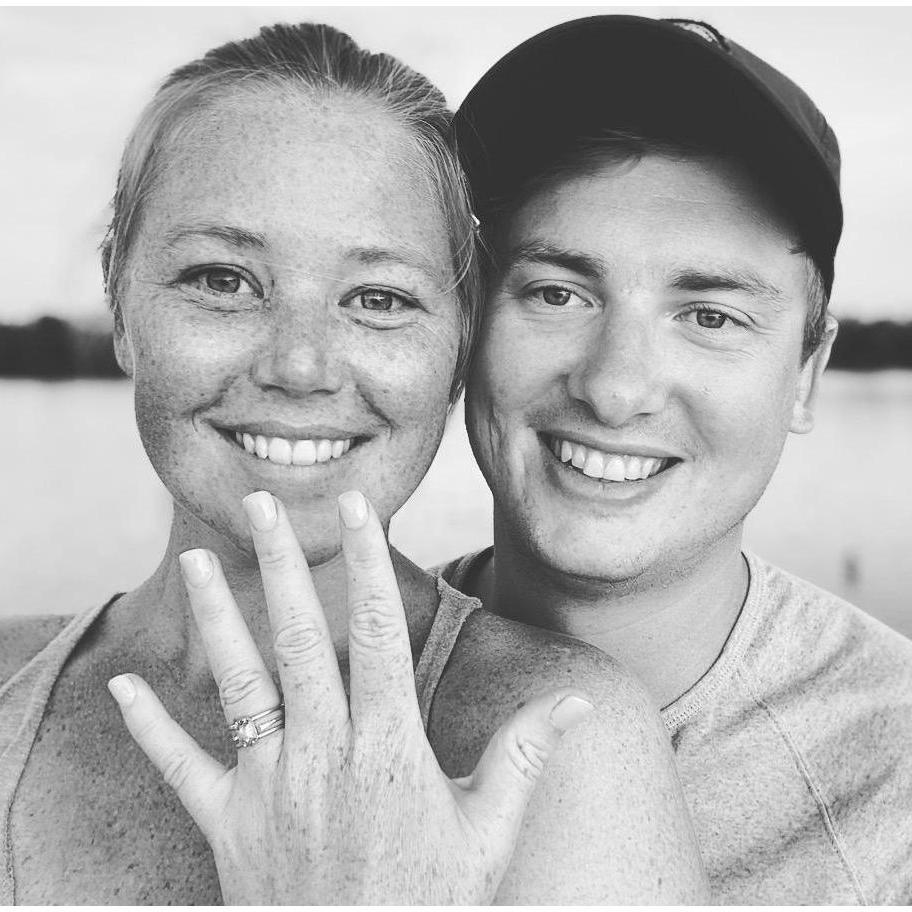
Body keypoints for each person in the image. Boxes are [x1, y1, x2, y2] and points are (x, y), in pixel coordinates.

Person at [0, 22, 707, 904]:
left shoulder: (561, 740)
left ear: (459, 347)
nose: (300, 365)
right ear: (120, 303)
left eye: (379, 298)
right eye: (223, 280)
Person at [435, 14, 912, 904]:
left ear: (807, 372)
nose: (616, 387)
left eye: (710, 315)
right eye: (556, 292)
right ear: (467, 327)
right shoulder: (310, 687)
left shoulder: (892, 793)